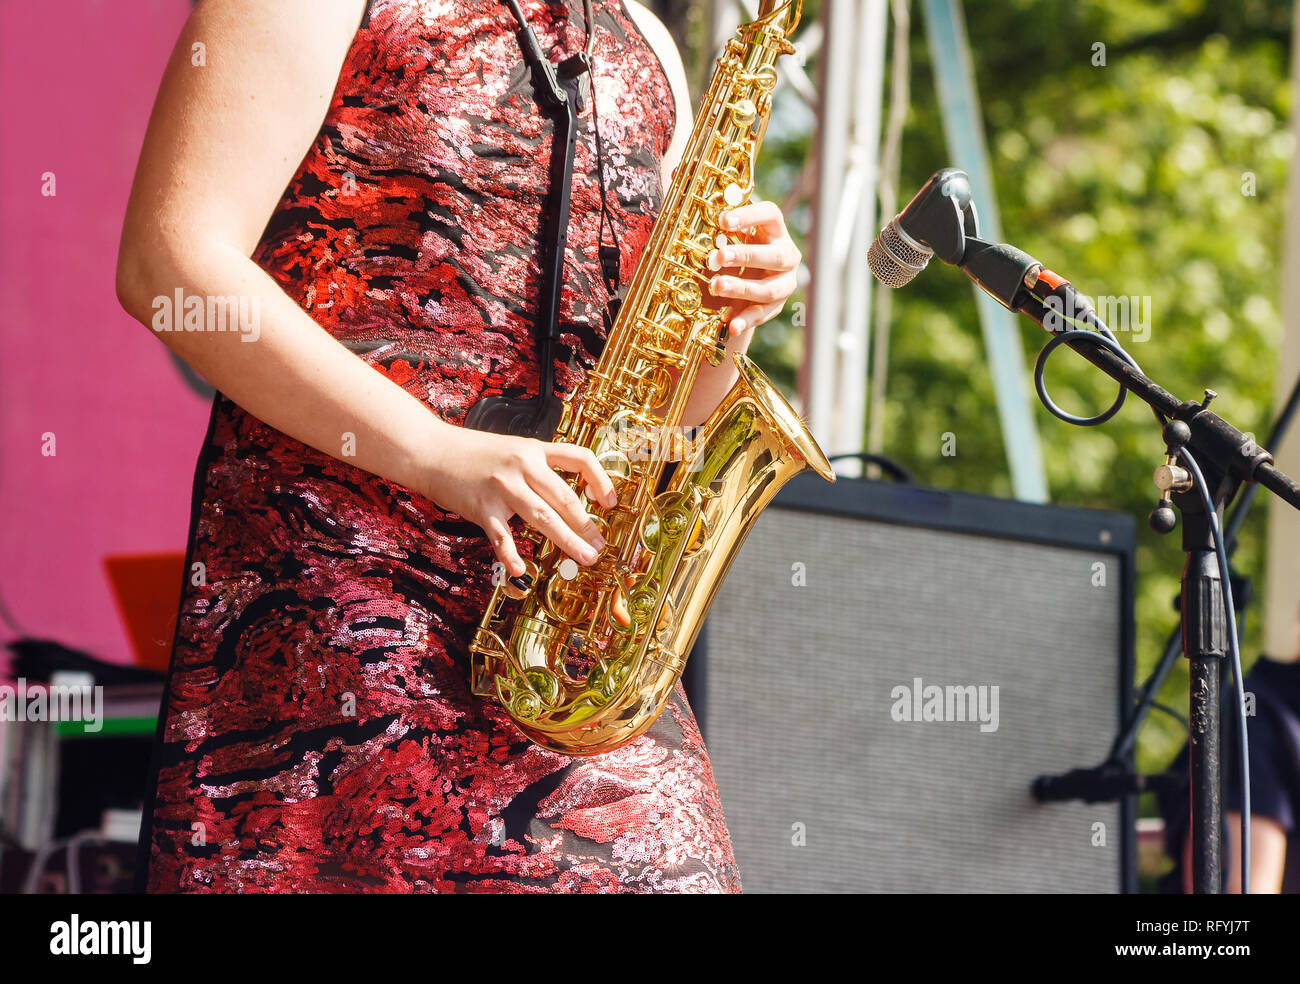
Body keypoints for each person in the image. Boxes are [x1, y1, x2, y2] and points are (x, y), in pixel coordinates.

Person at [115, 0, 803, 893]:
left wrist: (728, 319)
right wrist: (435, 452)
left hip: (567, 636)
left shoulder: (647, 47)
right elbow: (170, 264)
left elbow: (658, 413)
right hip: (337, 599)